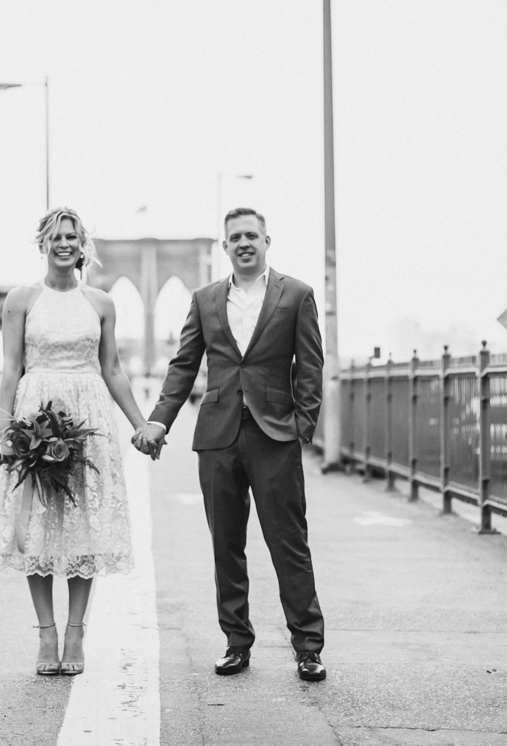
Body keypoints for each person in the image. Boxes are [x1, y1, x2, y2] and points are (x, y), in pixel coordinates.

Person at [133, 208, 327, 682]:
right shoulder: (204, 300)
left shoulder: (296, 295)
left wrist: (302, 427)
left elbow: (310, 365)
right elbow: (183, 366)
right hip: (218, 436)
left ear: (266, 241)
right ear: (225, 247)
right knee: (226, 544)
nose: (244, 243)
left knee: (289, 543)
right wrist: (159, 421)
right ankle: (236, 642)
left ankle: (308, 647)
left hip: (274, 434)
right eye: (235, 237)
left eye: (252, 236)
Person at [0, 207, 153, 677]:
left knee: (83, 523)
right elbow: (10, 368)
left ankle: (76, 630)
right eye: (56, 236)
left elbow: (113, 369)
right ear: (43, 243)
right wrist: (7, 432)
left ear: (83, 246)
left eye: (72, 237)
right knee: (36, 523)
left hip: (88, 416)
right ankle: (46, 632)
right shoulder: (21, 300)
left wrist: (140, 424)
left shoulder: (100, 303)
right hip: (35, 411)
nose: (64, 243)